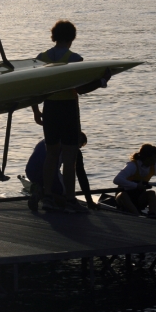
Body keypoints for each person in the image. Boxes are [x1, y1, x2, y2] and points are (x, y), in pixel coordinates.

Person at [30, 20, 110, 214]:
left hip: (49, 108)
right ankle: (70, 199)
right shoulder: (74, 59)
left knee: (51, 154)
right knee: (69, 157)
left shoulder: (41, 58)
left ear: (54, 36)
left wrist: (36, 111)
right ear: (72, 38)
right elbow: (80, 89)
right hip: (67, 108)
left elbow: (31, 86)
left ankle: (47, 197)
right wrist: (102, 81)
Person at [24, 132, 96, 211]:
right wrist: (89, 202)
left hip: (30, 171)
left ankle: (40, 188)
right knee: (68, 193)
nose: (79, 148)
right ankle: (42, 193)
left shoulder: (47, 140)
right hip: (47, 172)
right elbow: (81, 175)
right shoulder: (72, 148)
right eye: (80, 146)